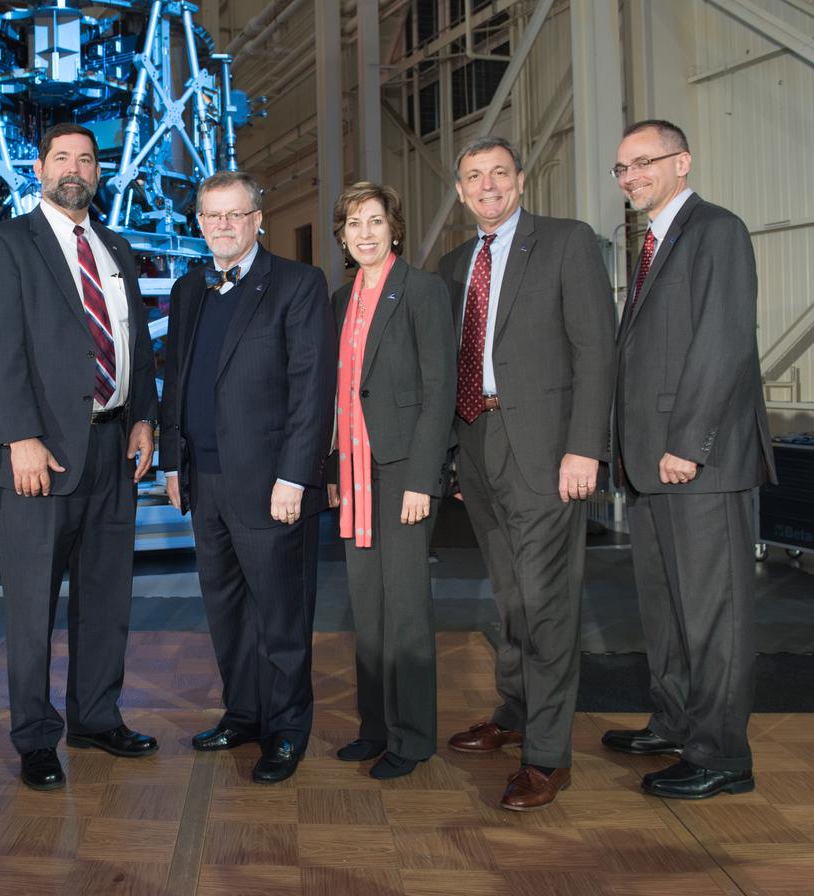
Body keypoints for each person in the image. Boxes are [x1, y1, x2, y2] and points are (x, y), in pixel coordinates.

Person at [0, 123, 160, 791]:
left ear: (100, 173)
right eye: (62, 158)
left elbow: (132, 339)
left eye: (86, 159)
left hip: (113, 446)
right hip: (41, 454)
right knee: (32, 605)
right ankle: (34, 736)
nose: (74, 168)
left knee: (107, 598)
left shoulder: (115, 247)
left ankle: (96, 716)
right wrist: (19, 435)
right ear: (39, 168)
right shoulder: (5, 244)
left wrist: (143, 418)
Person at [437, 136, 615, 811]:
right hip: (477, 440)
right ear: (459, 190)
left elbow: (596, 352)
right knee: (510, 596)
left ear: (520, 181)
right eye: (474, 176)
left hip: (543, 445)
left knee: (545, 601)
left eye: (499, 174)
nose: (487, 186)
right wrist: (456, 451)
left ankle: (547, 756)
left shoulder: (568, 242)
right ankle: (514, 714)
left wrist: (584, 447)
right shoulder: (455, 264)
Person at [602, 120, 775, 800]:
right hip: (652, 465)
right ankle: (675, 720)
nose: (631, 177)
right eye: (621, 168)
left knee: (713, 615)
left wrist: (687, 443)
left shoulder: (715, 230)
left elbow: (724, 342)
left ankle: (722, 754)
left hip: (698, 463)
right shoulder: (651, 242)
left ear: (682, 161)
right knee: (667, 608)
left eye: (643, 163)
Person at [159, 170, 336, 784]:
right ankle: (245, 712)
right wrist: (170, 460)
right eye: (212, 216)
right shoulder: (189, 290)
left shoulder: (296, 284)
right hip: (204, 479)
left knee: (281, 614)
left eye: (236, 214)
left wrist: (296, 477)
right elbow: (175, 383)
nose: (224, 226)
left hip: (271, 485)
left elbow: (313, 390)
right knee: (227, 608)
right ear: (199, 224)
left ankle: (288, 728)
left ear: (258, 218)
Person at [323, 184, 456, 779]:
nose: (366, 232)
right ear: (343, 236)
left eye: (376, 220)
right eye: (354, 223)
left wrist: (423, 480)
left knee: (405, 609)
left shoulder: (423, 291)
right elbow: (335, 397)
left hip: (403, 470)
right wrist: (330, 471)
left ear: (394, 228)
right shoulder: (338, 300)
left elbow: (440, 392)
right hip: (353, 473)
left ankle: (412, 738)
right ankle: (373, 727)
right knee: (367, 610)